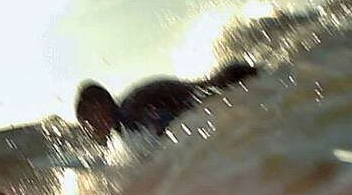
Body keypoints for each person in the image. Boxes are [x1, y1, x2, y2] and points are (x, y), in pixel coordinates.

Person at [75, 60, 259, 145]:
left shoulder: (131, 114)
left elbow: (171, 128)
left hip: (226, 85)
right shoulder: (125, 120)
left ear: (101, 108)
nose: (89, 129)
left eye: (88, 121)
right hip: (218, 90)